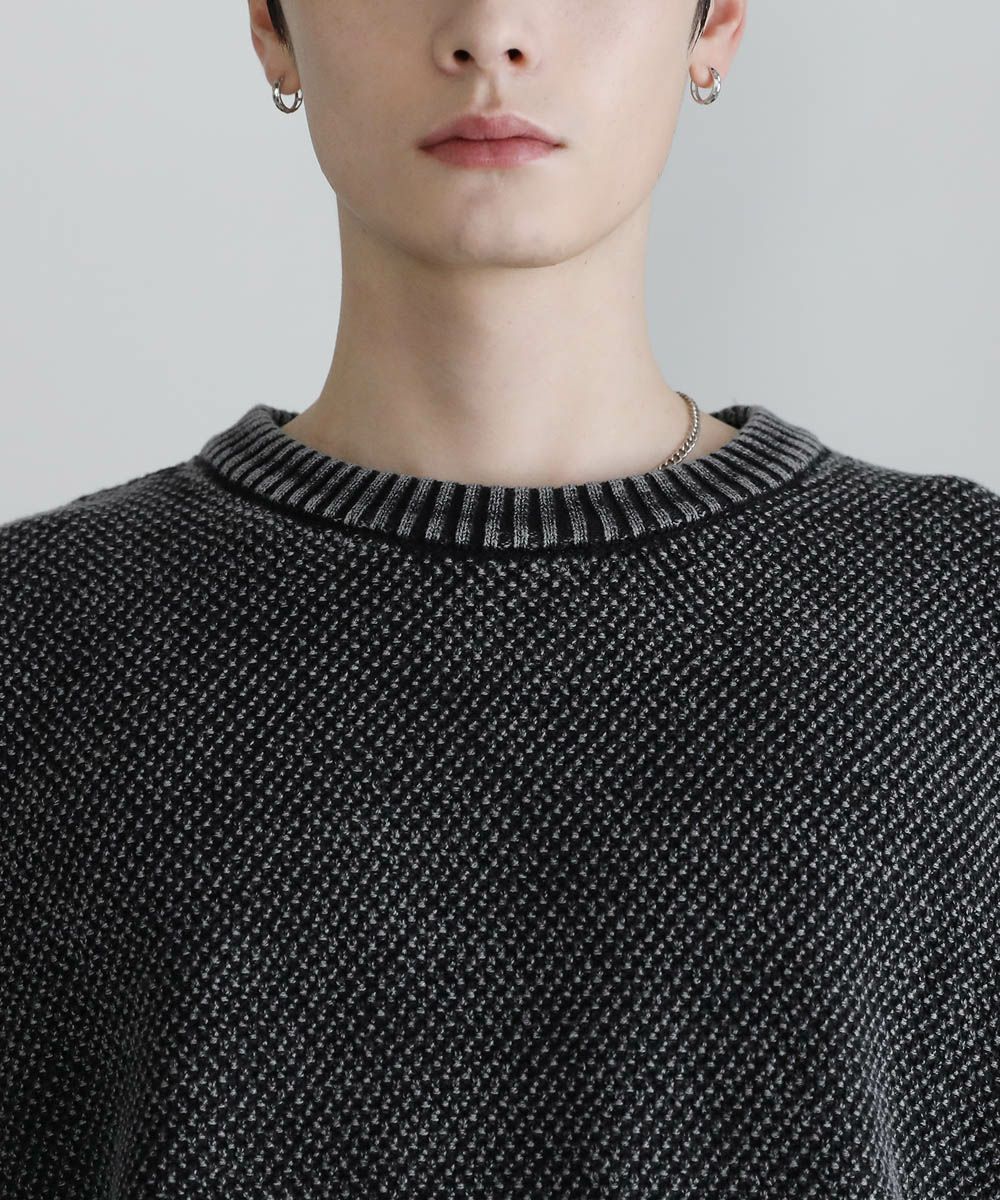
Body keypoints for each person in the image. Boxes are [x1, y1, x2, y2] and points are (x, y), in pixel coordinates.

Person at [1, 1, 998, 1197]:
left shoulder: (964, 614)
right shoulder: (35, 638)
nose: (490, 30)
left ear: (716, 20)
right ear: (269, 24)